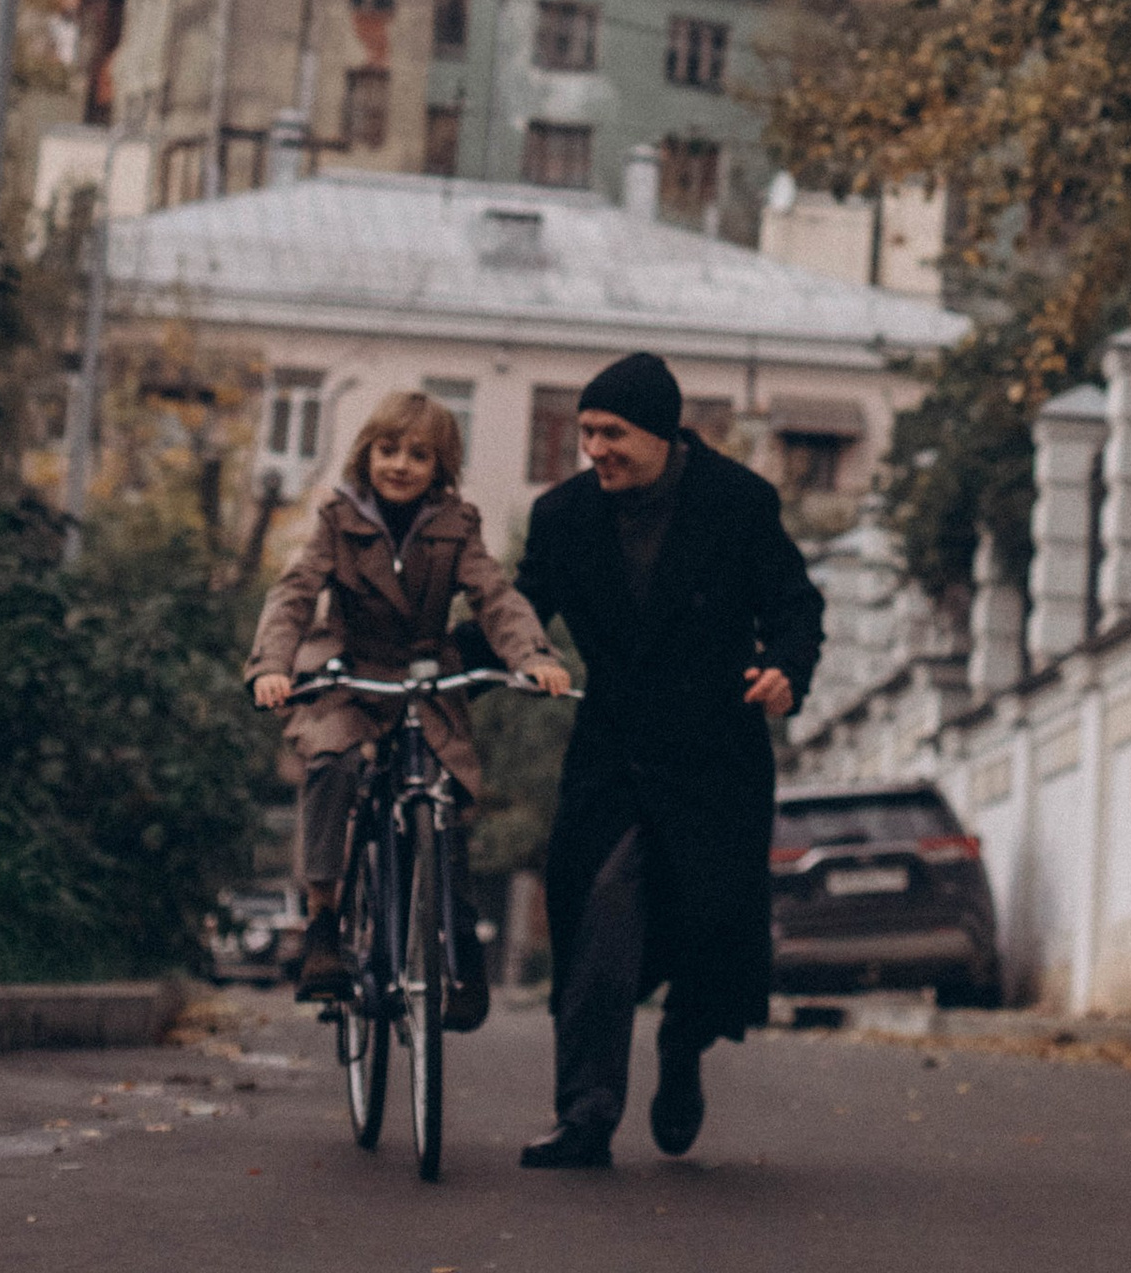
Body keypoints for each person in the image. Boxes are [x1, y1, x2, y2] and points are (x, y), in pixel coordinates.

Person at [512, 350, 823, 1170]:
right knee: (597, 925)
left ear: (659, 431)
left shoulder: (737, 502)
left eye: (611, 432)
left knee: (708, 929)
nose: (595, 449)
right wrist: (441, 660)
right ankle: (585, 1115)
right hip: (613, 753)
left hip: (715, 752)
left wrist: (787, 666)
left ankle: (683, 1050)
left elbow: (795, 604)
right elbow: (519, 614)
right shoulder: (563, 516)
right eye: (585, 432)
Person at [246, 388, 571, 1017]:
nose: (400, 465)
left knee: (444, 792)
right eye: (388, 450)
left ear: (440, 466)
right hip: (348, 673)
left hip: (422, 672)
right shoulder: (337, 520)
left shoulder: (457, 527)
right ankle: (323, 922)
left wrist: (532, 656)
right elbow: (293, 595)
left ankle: (458, 944)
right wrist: (271, 667)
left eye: (418, 455)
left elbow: (495, 597)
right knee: (332, 764)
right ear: (367, 453)